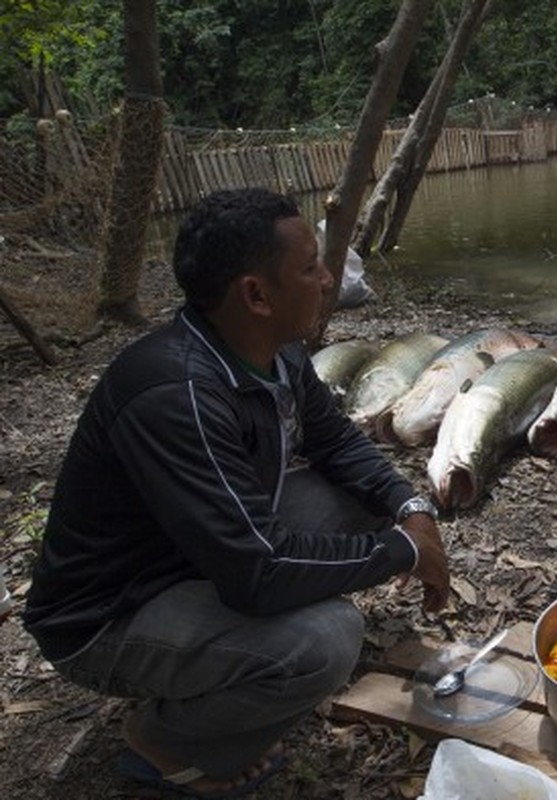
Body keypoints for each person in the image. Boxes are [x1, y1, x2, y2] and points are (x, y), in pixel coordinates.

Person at [22, 188, 450, 798]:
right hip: (109, 614)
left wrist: (411, 511)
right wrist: (407, 554)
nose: (328, 278)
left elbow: (335, 442)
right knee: (326, 641)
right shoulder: (178, 394)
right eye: (309, 267)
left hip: (192, 553)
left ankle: (217, 677)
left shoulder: (274, 351)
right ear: (255, 294)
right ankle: (166, 739)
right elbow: (257, 572)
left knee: (363, 503)